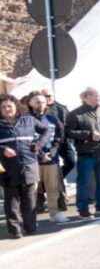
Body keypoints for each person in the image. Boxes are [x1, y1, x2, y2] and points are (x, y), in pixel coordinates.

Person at [0, 94, 50, 238]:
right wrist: (3, 150)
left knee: (29, 199)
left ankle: (31, 228)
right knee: (12, 201)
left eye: (9, 106)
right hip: (7, 168)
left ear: (16, 105)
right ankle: (15, 231)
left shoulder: (29, 120)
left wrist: (39, 143)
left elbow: (47, 130)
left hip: (29, 165)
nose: (7, 109)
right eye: (3, 107)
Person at [65, 87, 100, 219]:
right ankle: (82, 209)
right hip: (86, 153)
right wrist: (89, 134)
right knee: (83, 182)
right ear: (86, 97)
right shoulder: (75, 114)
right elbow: (69, 132)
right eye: (97, 96)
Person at [28, 93, 69, 223]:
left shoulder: (52, 119)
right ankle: (31, 218)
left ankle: (54, 213)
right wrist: (41, 155)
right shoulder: (26, 120)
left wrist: (52, 152)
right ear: (30, 103)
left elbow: (58, 138)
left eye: (43, 102)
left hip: (51, 159)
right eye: (37, 102)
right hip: (33, 160)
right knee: (32, 191)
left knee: (53, 188)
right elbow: (27, 140)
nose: (40, 104)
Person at [43, 88, 74, 211]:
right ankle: (58, 198)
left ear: (53, 96)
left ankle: (57, 179)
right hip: (49, 143)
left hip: (64, 141)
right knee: (52, 168)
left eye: (49, 95)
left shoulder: (62, 107)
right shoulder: (41, 109)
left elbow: (69, 122)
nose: (47, 98)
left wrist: (70, 138)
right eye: (44, 96)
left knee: (71, 162)